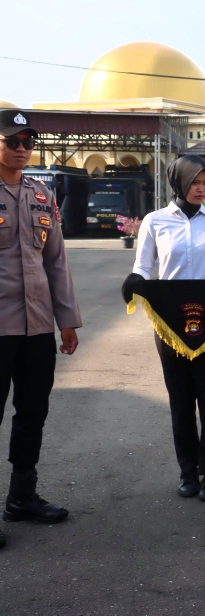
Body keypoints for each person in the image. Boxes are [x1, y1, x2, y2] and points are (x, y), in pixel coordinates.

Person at [131, 154, 205, 501]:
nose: (201, 188)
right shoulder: (155, 221)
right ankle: (187, 473)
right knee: (180, 400)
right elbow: (145, 267)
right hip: (171, 324)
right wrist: (135, 281)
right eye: (195, 182)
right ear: (178, 182)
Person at [0, 109, 81, 549]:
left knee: (33, 413)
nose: (20, 149)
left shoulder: (40, 194)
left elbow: (56, 262)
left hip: (36, 329)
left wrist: (66, 321)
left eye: (27, 141)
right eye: (12, 140)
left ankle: (21, 496)